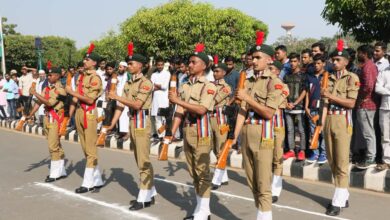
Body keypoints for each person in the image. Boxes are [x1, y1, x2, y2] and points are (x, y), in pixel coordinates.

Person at [232, 32, 283, 220]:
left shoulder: (274, 83)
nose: (253, 61)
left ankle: (264, 216)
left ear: (269, 60)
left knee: (263, 182)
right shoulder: (248, 81)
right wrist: (234, 138)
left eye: (258, 58)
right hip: (247, 132)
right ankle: (261, 212)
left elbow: (269, 113)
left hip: (263, 134)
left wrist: (247, 98)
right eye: (252, 57)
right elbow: (242, 112)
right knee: (252, 180)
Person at [169, 43, 216, 220]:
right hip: (188, 130)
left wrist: (178, 101)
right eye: (189, 62)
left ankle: (203, 212)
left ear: (203, 66)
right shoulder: (185, 85)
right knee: (193, 171)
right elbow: (180, 111)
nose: (189, 65)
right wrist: (172, 132)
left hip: (201, 132)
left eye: (193, 62)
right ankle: (201, 208)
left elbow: (202, 109)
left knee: (202, 171)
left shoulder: (208, 86)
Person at [107, 43, 157, 211]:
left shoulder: (146, 83)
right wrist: (111, 124)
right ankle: (150, 190)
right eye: (128, 64)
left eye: (131, 64)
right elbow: (121, 106)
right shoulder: (128, 83)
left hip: (142, 122)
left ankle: (143, 197)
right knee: (139, 158)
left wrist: (116, 97)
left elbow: (136, 104)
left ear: (140, 66)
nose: (128, 66)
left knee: (143, 161)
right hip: (133, 122)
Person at [321, 40, 360, 216]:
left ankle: (337, 201)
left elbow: (351, 103)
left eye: (337, 60)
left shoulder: (352, 78)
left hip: (343, 121)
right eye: (333, 60)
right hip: (328, 119)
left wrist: (330, 95)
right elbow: (324, 104)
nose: (334, 63)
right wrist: (321, 124)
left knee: (342, 161)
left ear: (346, 61)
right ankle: (343, 193)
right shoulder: (327, 78)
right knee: (332, 161)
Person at [65, 44, 104, 194]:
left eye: (87, 59)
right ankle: (97, 178)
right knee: (85, 148)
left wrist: (72, 93)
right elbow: (77, 98)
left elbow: (89, 100)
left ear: (94, 63)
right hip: (80, 113)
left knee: (91, 149)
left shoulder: (95, 78)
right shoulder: (82, 76)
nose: (84, 61)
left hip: (89, 113)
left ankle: (88, 183)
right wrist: (70, 114)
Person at [29, 66, 68, 182]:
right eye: (48, 75)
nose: (48, 77)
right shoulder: (46, 88)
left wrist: (35, 92)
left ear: (57, 76)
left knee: (52, 146)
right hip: (47, 118)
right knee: (56, 144)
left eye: (51, 75)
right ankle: (62, 170)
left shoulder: (60, 90)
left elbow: (49, 103)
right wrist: (30, 114)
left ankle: (55, 173)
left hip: (55, 119)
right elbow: (39, 102)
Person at [268, 60, 289, 203]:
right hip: (265, 126)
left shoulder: (283, 86)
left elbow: (276, 101)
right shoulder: (264, 85)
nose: (268, 70)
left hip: (277, 125)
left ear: (277, 71)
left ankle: (276, 188)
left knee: (277, 158)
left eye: (271, 68)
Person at [355, 44, 380, 169]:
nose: (357, 55)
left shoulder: (367, 67)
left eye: (359, 52)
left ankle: (370, 158)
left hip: (366, 104)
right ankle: (370, 156)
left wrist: (361, 98)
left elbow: (368, 86)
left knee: (368, 132)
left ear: (364, 54)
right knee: (368, 132)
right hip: (368, 104)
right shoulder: (370, 66)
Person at [209, 55, 232, 190]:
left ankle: (217, 179)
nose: (215, 73)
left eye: (217, 71)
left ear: (223, 73)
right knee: (213, 147)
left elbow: (214, 100)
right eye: (214, 71)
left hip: (220, 120)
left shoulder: (226, 87)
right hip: (210, 118)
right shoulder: (210, 85)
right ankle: (224, 177)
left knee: (220, 149)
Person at [283, 52, 307, 161]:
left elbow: (305, 91)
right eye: (291, 61)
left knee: (301, 130)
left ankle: (302, 150)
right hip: (288, 107)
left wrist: (296, 103)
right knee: (290, 130)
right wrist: (286, 103)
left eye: (295, 61)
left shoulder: (303, 75)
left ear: (299, 62)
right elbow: (283, 90)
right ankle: (292, 151)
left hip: (299, 107)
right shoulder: (286, 76)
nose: (292, 63)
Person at [305, 54, 328, 164]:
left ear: (324, 64)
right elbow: (307, 92)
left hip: (323, 108)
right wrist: (306, 106)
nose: (316, 65)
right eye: (315, 63)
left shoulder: (327, 76)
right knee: (313, 131)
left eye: (319, 63)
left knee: (322, 131)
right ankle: (315, 152)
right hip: (312, 107)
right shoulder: (310, 77)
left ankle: (323, 153)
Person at [150, 57, 171, 140]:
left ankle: (164, 135)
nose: (160, 66)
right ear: (156, 65)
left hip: (163, 99)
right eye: (158, 65)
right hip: (155, 99)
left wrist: (156, 85)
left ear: (163, 65)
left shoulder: (167, 73)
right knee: (156, 118)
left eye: (161, 65)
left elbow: (165, 86)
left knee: (163, 118)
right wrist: (158, 86)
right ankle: (160, 136)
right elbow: (151, 87)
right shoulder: (153, 75)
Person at [375, 68, 390, 170]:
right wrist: (388, 91)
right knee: (385, 136)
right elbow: (377, 88)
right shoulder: (384, 72)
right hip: (385, 108)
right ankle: (387, 161)